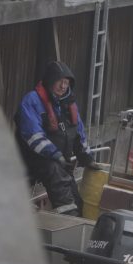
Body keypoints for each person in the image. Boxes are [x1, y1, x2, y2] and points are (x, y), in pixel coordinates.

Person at [14, 60, 95, 215]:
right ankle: (69, 219)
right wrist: (56, 155)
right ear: (50, 81)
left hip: (60, 162)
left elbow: (79, 135)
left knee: (75, 197)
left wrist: (88, 158)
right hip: (33, 159)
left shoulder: (69, 105)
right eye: (60, 81)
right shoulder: (31, 101)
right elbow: (33, 135)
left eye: (66, 83)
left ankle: (79, 218)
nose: (63, 86)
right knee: (55, 173)